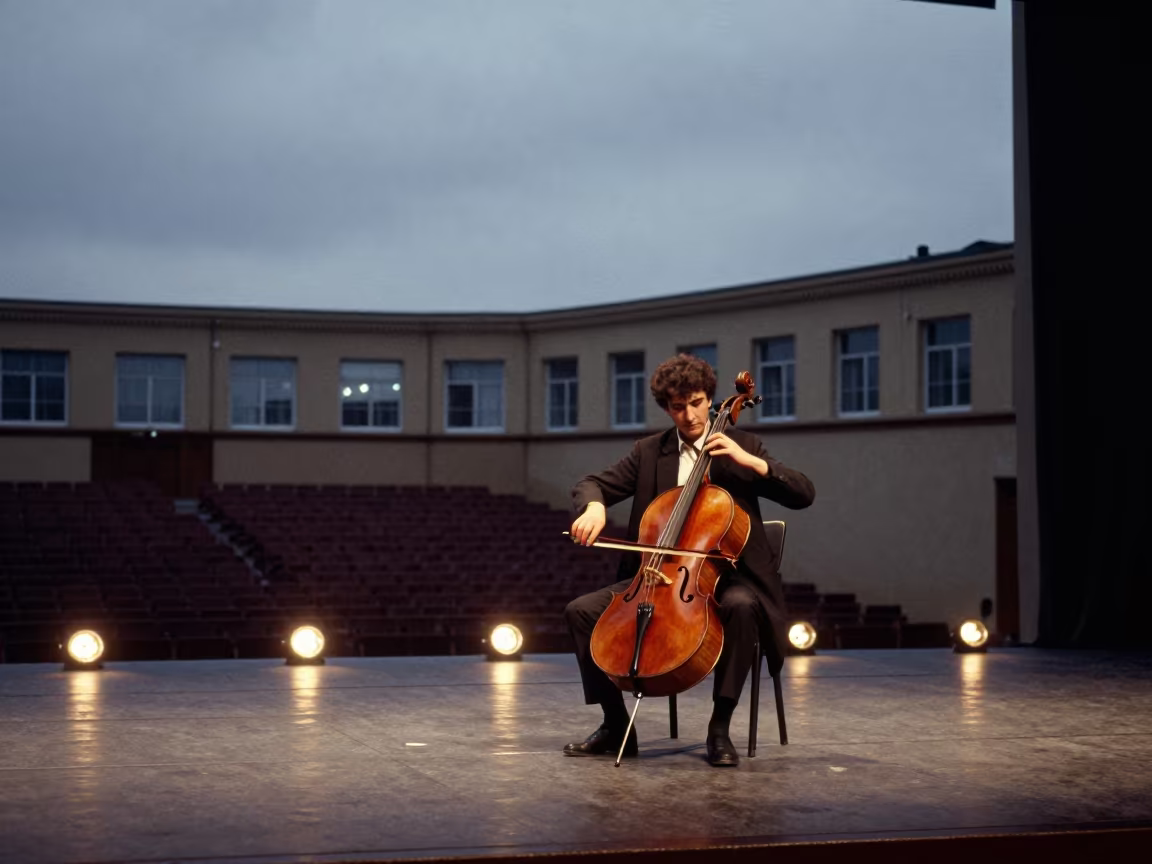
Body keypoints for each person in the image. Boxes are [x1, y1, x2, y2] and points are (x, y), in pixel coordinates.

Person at [564, 354, 815, 766]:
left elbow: (804, 494)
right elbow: (590, 484)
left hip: (731, 576)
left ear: (710, 400)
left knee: (740, 606)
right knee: (580, 612)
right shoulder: (649, 452)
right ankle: (614, 725)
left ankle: (719, 728)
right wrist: (593, 507)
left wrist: (751, 462)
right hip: (659, 578)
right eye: (678, 407)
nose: (689, 415)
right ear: (667, 408)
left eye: (696, 402)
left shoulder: (742, 447)